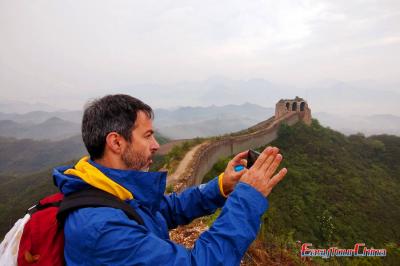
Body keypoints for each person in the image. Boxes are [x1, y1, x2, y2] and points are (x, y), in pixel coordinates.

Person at [54, 94, 287, 265]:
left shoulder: (111, 187)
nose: (156, 145)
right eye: (147, 136)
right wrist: (247, 198)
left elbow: (164, 209)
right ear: (116, 142)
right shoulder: (103, 229)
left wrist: (222, 186)